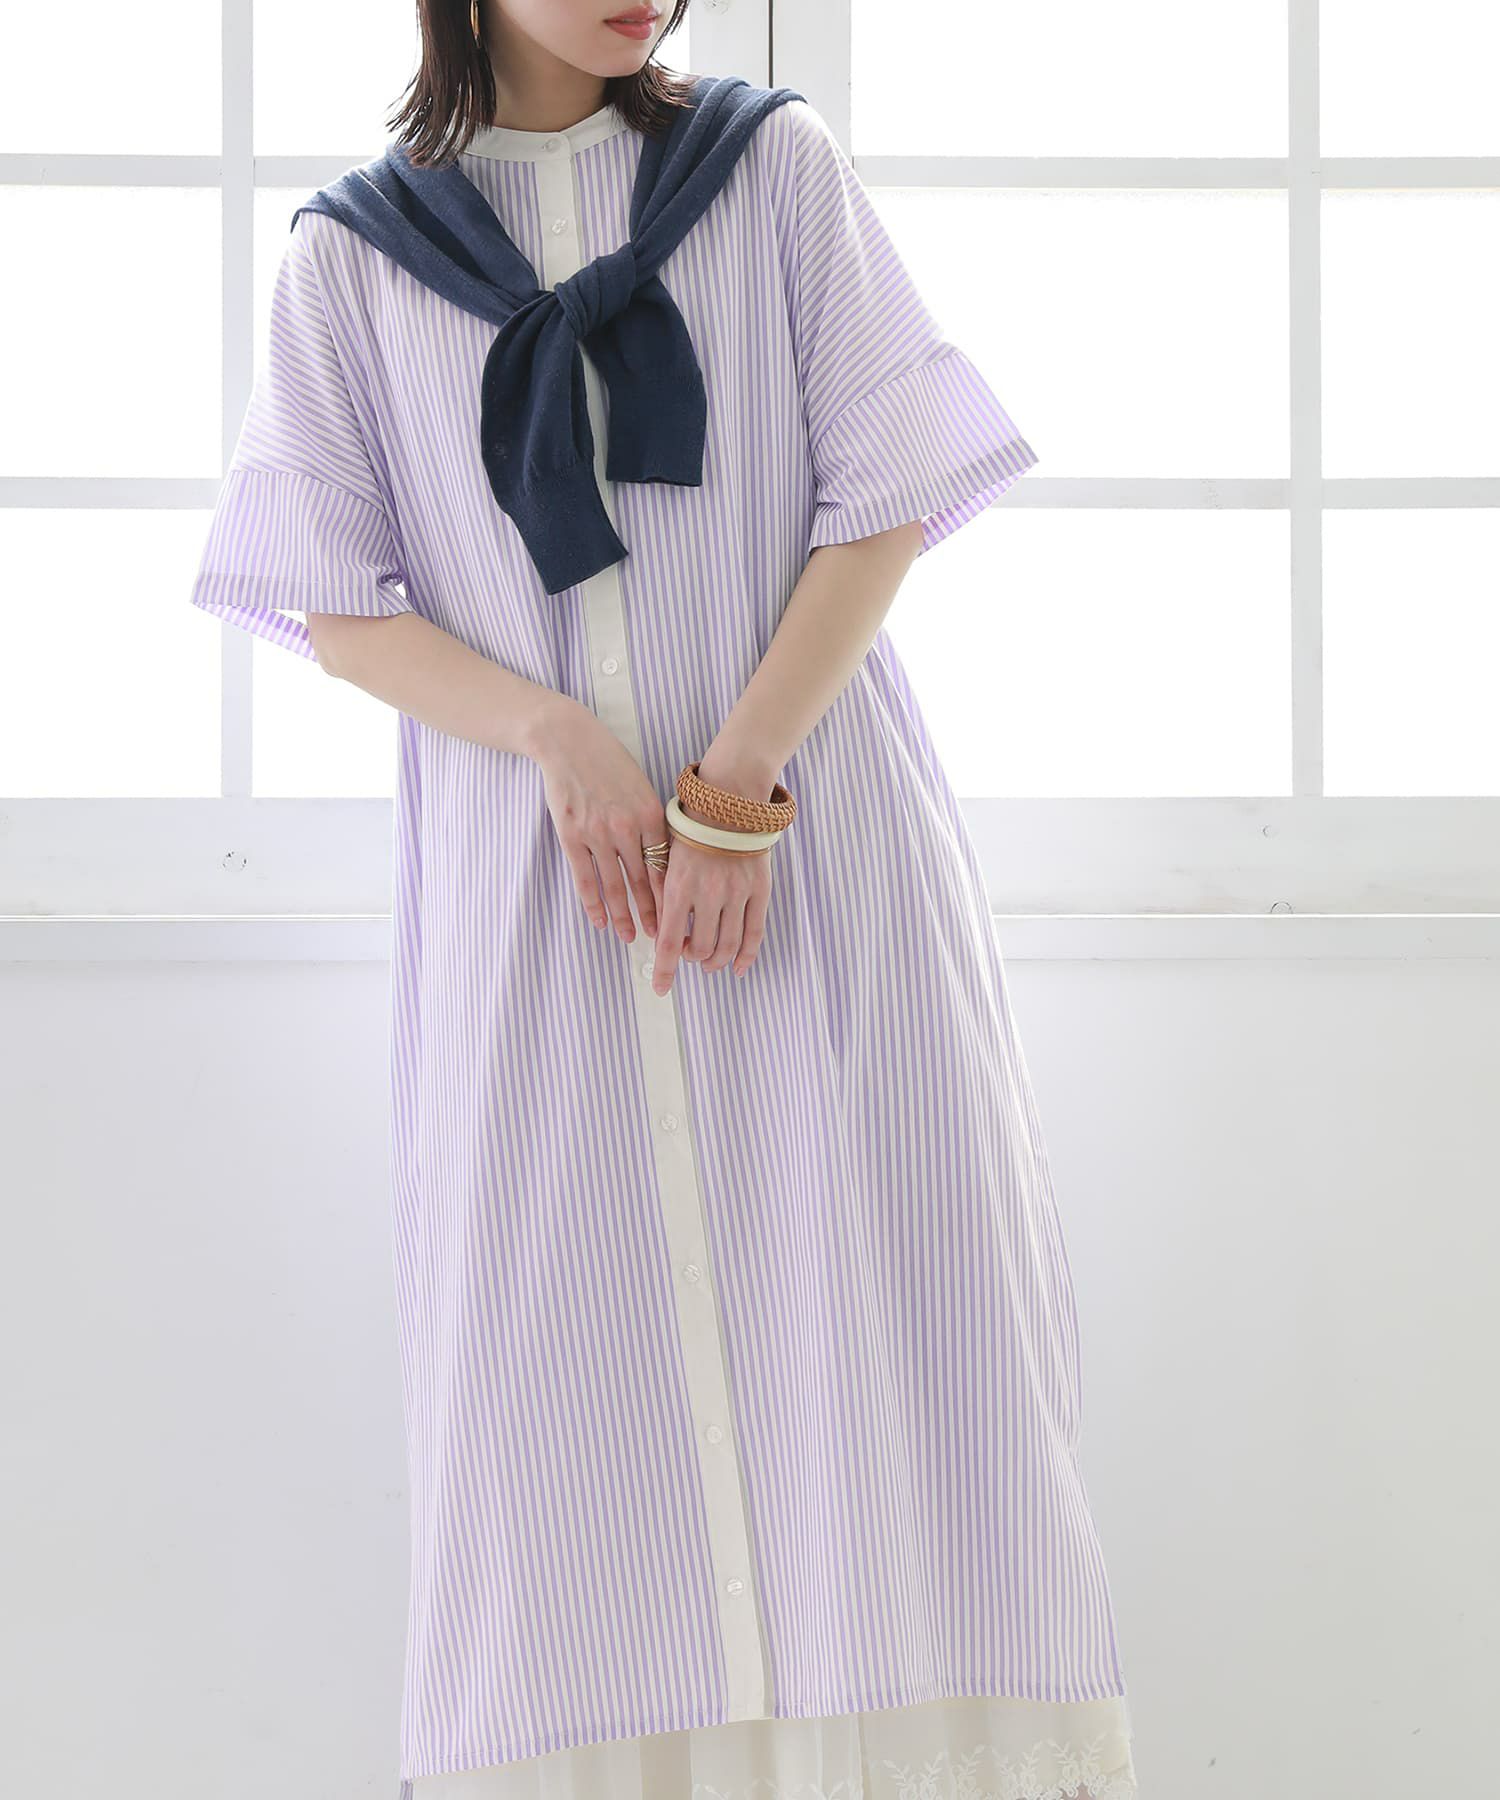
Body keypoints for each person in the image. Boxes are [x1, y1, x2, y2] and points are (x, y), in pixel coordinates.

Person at [189, 3, 1139, 1796]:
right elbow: (330, 600)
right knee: (565, 1384)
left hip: (815, 860)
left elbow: (886, 493)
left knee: (895, 1322)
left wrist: (743, 777)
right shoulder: (352, 258)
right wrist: (550, 731)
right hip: (544, 899)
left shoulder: (772, 173)